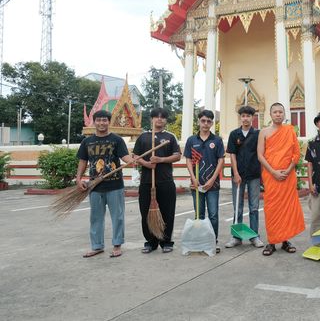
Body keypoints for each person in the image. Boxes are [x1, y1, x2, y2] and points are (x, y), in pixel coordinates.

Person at [76, 110, 134, 258]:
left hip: (115, 185)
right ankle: (97, 246)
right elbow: (83, 161)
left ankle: (117, 245)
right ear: (94, 122)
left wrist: (133, 160)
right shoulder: (87, 142)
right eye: (99, 120)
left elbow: (125, 156)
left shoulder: (117, 140)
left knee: (118, 217)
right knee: (95, 217)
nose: (102, 123)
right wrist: (78, 179)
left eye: (105, 120)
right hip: (94, 186)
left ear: (109, 122)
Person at [257, 102, 305, 256]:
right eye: (275, 112)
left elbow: (296, 154)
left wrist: (288, 170)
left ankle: (285, 241)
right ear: (270, 115)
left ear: (284, 114)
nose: (278, 114)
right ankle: (271, 242)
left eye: (280, 112)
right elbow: (260, 155)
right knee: (271, 208)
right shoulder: (264, 132)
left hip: (287, 176)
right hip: (271, 176)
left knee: (286, 208)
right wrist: (273, 172)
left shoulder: (290, 131)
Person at [133, 107, 181, 254]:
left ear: (165, 120)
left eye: (162, 117)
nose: (159, 119)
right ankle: (150, 242)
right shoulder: (143, 137)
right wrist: (146, 163)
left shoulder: (170, 137)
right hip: (147, 182)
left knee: (167, 212)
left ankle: (166, 242)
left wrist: (161, 159)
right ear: (152, 119)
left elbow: (177, 155)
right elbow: (135, 156)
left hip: (165, 181)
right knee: (146, 212)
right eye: (156, 116)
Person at [184, 109, 225, 253]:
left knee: (213, 215)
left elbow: (221, 160)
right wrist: (194, 179)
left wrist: (213, 179)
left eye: (208, 121)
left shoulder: (217, 140)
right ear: (198, 122)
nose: (206, 124)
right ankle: (201, 242)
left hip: (212, 185)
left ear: (212, 123)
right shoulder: (191, 140)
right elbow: (188, 160)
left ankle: (213, 241)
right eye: (203, 121)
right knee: (199, 215)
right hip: (196, 184)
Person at [225, 105, 264, 248]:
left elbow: (261, 154)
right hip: (238, 176)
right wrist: (235, 173)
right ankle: (237, 237)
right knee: (238, 207)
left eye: (248, 116)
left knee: (254, 207)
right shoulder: (234, 134)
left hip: (254, 175)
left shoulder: (258, 134)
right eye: (243, 116)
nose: (245, 118)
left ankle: (254, 236)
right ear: (240, 117)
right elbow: (232, 155)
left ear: (253, 118)